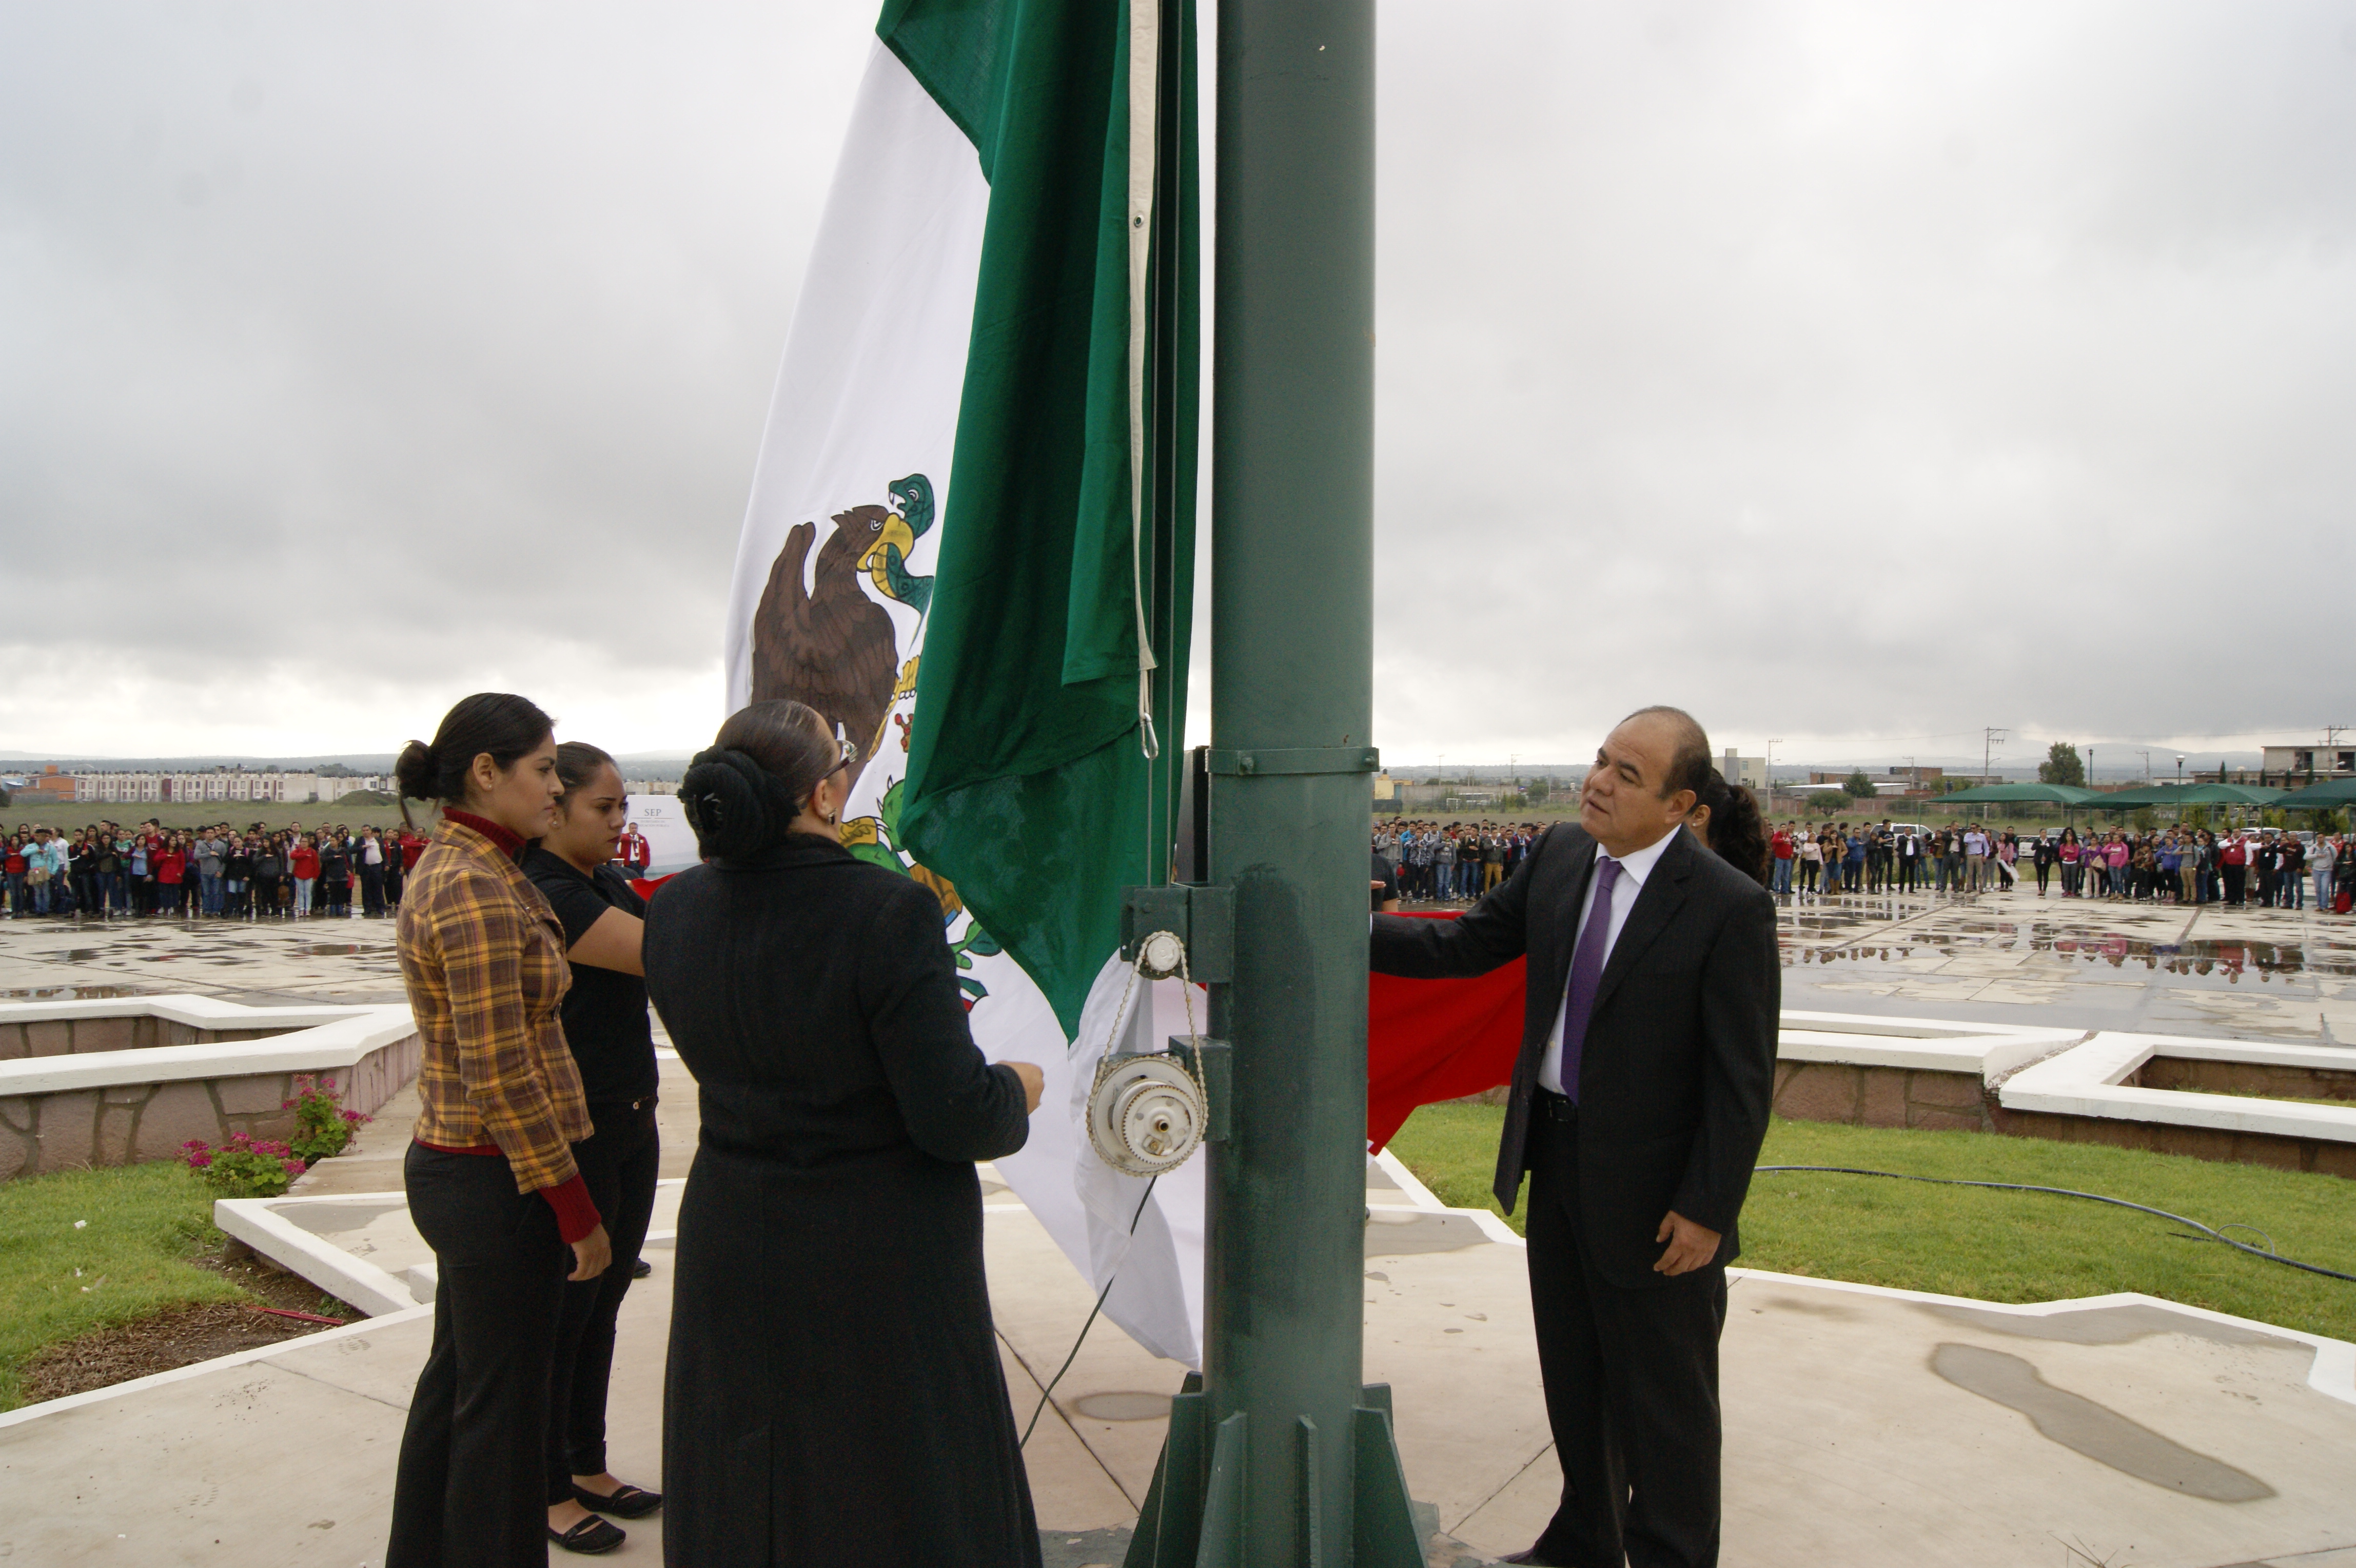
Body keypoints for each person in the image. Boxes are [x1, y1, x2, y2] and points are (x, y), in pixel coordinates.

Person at [1370, 707, 1778, 1568]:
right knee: (1576, 1376)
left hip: (1661, 1202)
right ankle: (1583, 1540)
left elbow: (1740, 1087)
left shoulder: (1727, 909)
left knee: (1665, 1407)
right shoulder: (1560, 856)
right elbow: (1469, 945)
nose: (1598, 781)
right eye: (1601, 761)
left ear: (1679, 805)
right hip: (1556, 1163)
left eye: (1628, 774)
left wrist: (1705, 1211)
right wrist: (1346, 928)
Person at [642, 699, 1047, 1567]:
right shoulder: (885, 912)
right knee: (893, 1476)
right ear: (827, 795)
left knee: (747, 1457)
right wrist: (1017, 1087)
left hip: (732, 1223)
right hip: (875, 1243)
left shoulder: (674, 912)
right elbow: (955, 1117)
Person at [385, 693, 614, 1568]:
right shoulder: (473, 883)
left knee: (463, 1391)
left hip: (481, 1171)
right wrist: (572, 1207)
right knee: (504, 1419)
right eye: (546, 769)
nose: (557, 789)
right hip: (494, 1177)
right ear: (487, 773)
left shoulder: (481, 863)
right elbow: (500, 1067)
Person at [523, 744, 665, 1553]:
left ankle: (587, 1462)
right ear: (558, 806)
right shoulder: (548, 894)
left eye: (623, 808)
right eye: (604, 808)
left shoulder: (601, 883)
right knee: (567, 1309)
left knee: (604, 1303)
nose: (620, 822)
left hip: (628, 1116)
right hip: (578, 1127)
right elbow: (656, 951)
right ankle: (545, 1488)